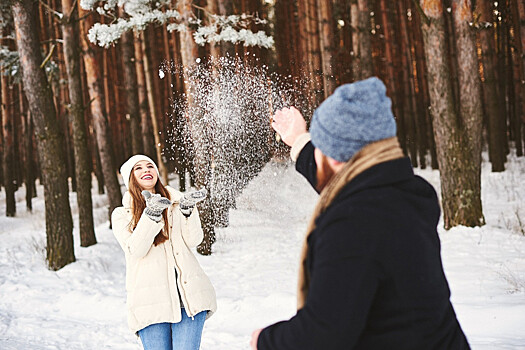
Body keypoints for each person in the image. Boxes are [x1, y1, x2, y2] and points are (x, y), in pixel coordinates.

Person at [250, 77, 470, 349]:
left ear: (336, 157)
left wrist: (264, 341)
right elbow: (344, 182)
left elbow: (323, 334)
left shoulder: (353, 224)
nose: (316, 156)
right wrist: (299, 140)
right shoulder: (402, 192)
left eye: (320, 148)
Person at [112, 154, 216, 350]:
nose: (146, 170)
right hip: (150, 303)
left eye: (150, 166)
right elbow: (136, 250)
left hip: (188, 298)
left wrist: (187, 211)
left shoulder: (176, 204)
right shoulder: (122, 215)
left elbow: (194, 240)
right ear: (130, 178)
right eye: (138, 168)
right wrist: (150, 215)